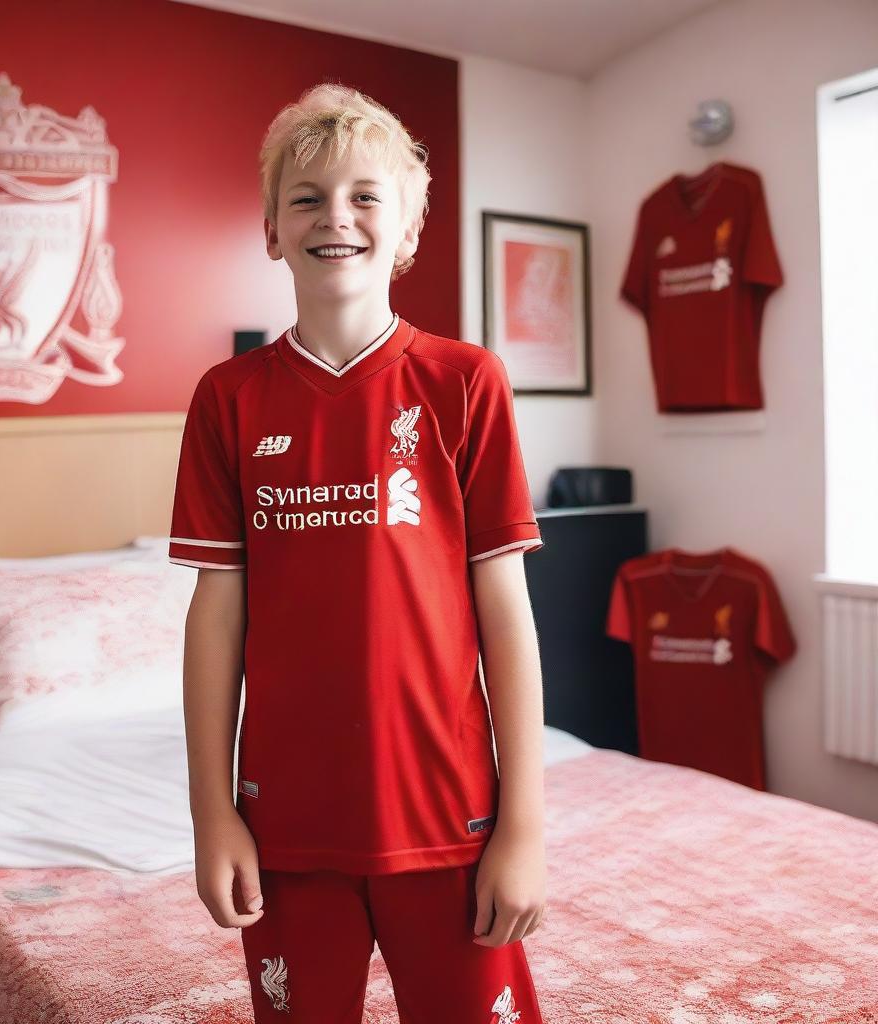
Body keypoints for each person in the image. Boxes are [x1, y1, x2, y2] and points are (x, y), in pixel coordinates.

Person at [169, 81, 548, 1023]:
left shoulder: (466, 382)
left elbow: (505, 614)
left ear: (408, 230)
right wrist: (211, 811)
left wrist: (525, 826)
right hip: (287, 827)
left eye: (364, 196)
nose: (333, 216)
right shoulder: (228, 398)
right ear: (269, 229)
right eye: (305, 197)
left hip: (450, 814)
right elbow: (217, 615)